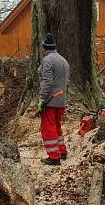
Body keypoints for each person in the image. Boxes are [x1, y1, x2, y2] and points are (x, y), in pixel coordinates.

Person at [37, 33, 70, 165]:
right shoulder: (63, 60)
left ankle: (54, 157)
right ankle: (62, 151)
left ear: (45, 48)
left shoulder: (47, 61)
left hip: (50, 100)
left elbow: (47, 82)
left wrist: (41, 99)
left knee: (48, 128)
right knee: (56, 126)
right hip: (61, 99)